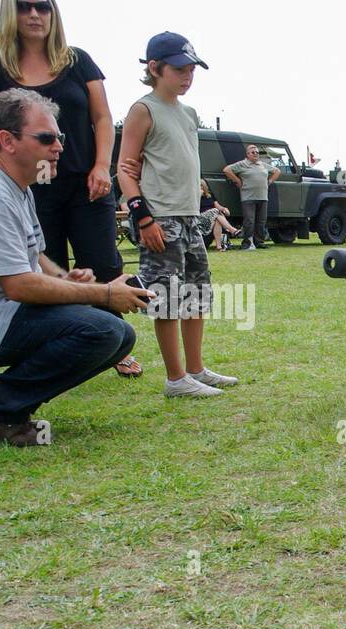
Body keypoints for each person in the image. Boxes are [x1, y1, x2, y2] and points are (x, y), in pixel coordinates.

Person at [0, 88, 152, 445]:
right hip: (2, 312)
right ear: (8, 141)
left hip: (5, 312)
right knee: (103, 331)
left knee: (118, 334)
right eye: (47, 138)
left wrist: (66, 280)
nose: (59, 146)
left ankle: (7, 407)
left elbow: (34, 257)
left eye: (60, 137)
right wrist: (104, 293)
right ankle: (2, 409)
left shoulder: (20, 187)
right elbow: (19, 285)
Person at [0, 0, 140, 378]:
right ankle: (53, 348)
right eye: (24, 7)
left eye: (42, 7)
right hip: (31, 184)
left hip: (84, 179)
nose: (34, 15)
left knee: (102, 262)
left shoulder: (77, 60)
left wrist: (100, 166)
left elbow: (103, 117)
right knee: (41, 263)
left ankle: (110, 343)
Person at [117, 31, 236, 398]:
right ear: (155, 68)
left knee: (196, 295)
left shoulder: (188, 113)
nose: (187, 76)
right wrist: (143, 217)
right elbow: (125, 168)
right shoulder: (143, 109)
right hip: (161, 217)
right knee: (167, 298)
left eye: (192, 69)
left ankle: (196, 368)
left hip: (189, 217)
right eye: (180, 69)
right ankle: (175, 378)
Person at [223, 143, 277, 249]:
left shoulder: (262, 164)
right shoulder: (242, 164)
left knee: (261, 221)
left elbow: (277, 171)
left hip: (263, 197)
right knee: (249, 220)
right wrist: (237, 180)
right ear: (247, 154)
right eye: (253, 152)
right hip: (248, 197)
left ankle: (259, 242)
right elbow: (227, 170)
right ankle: (247, 242)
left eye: (257, 152)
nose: (256, 154)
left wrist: (270, 181)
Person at [199, 178, 238, 251]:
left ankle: (219, 246)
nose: (200, 187)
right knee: (215, 211)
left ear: (205, 186)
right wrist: (198, 196)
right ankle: (232, 230)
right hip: (200, 218)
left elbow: (218, 206)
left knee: (217, 220)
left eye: (201, 185)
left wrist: (224, 209)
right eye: (198, 185)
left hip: (212, 218)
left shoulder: (210, 195)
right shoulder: (194, 197)